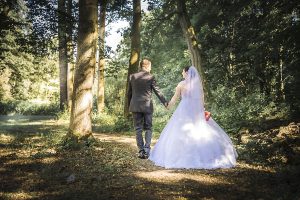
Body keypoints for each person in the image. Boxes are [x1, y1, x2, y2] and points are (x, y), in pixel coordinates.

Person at [149, 66, 238, 169]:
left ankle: (180, 156)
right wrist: (201, 110)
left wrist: (168, 106)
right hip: (196, 111)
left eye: (183, 71)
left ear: (187, 73)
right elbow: (202, 100)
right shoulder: (198, 86)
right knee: (198, 129)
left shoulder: (181, 84)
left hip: (184, 109)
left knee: (178, 131)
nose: (182, 73)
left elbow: (175, 98)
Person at [127, 58, 168, 159]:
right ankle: (146, 150)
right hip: (147, 106)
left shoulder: (132, 76)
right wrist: (165, 102)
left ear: (141, 66)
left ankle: (140, 151)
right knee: (148, 128)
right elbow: (157, 91)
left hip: (135, 106)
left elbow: (129, 94)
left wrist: (129, 106)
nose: (151, 68)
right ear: (147, 66)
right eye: (150, 66)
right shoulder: (150, 77)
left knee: (138, 129)